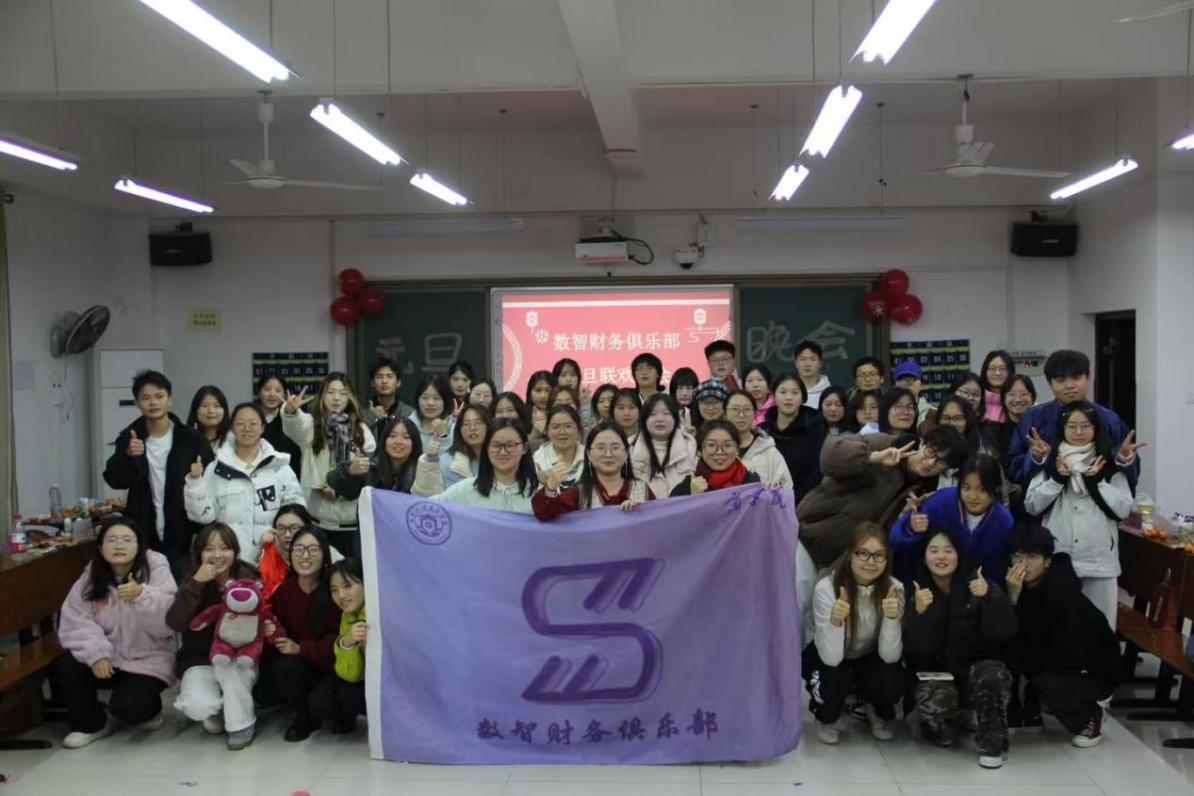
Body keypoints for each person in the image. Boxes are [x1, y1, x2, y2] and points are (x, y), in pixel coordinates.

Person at [54, 515, 177, 749]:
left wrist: (142, 596)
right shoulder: (91, 576)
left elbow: (168, 622)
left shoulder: (156, 569)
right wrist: (96, 653)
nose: (119, 546)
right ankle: (92, 724)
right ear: (101, 548)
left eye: (127, 540)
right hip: (108, 656)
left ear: (139, 545)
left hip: (146, 659)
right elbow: (76, 620)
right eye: (112, 540)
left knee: (130, 708)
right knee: (69, 663)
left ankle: (149, 710)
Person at [904, 530, 1017, 768]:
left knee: (992, 674)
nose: (941, 556)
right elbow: (915, 649)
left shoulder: (979, 584)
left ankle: (991, 744)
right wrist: (918, 615)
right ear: (924, 556)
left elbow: (1005, 631)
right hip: (938, 674)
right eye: (934, 551)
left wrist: (990, 598)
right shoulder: (916, 589)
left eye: (948, 550)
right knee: (941, 728)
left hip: (975, 668)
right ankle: (952, 718)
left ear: (959, 555)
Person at [1005, 523, 1123, 747]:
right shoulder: (1020, 587)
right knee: (1010, 654)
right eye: (1017, 556)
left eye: (1031, 557)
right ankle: (1029, 712)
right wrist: (1013, 599)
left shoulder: (1061, 593)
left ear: (1047, 561)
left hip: (1094, 670)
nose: (1022, 564)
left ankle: (1089, 718)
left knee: (1044, 678)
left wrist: (1029, 670)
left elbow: (1065, 649)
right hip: (1056, 660)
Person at [1023, 401, 1131, 628]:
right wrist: (1057, 480)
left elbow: (1123, 509)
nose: (1079, 432)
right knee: (1058, 628)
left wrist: (1097, 482)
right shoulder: (1051, 462)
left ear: (1096, 428)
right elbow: (1032, 505)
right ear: (1062, 429)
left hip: (1099, 559)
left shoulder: (1109, 462)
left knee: (1100, 629)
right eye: (1072, 426)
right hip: (1059, 558)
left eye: (1085, 426)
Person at [797, 426, 968, 569]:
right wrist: (872, 457)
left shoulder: (924, 492)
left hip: (847, 560)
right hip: (809, 535)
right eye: (931, 452)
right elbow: (829, 456)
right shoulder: (883, 443)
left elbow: (888, 539)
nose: (930, 463)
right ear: (922, 442)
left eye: (941, 462)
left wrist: (903, 520)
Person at [103, 370, 213, 582]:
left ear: (169, 400)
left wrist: (200, 532)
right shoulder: (129, 437)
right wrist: (128, 456)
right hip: (144, 533)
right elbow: (115, 480)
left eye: (159, 396)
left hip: (183, 535)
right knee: (145, 592)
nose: (153, 402)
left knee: (185, 592)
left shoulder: (191, 439)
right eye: (146, 398)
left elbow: (209, 488)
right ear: (138, 403)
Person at [806, 522, 904, 744]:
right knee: (832, 683)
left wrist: (891, 619)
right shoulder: (827, 588)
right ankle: (826, 717)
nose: (871, 562)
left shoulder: (894, 588)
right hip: (828, 653)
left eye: (879, 555)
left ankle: (873, 707)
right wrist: (836, 621)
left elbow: (890, 656)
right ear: (850, 555)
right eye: (863, 553)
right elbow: (831, 658)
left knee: (892, 678)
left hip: (868, 654)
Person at [168, 522, 261, 750]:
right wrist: (196, 584)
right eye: (209, 549)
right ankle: (221, 709)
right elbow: (175, 622)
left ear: (235, 552)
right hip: (200, 658)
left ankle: (241, 725)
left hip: (237, 657)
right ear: (199, 553)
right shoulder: (192, 580)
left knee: (233, 674)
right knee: (198, 707)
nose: (217, 555)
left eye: (225, 548)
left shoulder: (249, 577)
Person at [184, 403, 305, 564]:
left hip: (272, 558)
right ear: (232, 428)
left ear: (262, 427)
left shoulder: (279, 466)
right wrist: (195, 482)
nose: (247, 428)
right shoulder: (217, 468)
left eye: (253, 423)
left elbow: (296, 508)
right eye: (240, 423)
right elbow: (203, 516)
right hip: (230, 559)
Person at [1009, 350, 1142, 492]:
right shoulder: (1033, 419)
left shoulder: (1110, 420)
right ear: (1050, 383)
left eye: (1076, 378)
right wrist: (1035, 458)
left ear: (1088, 378)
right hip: (1045, 501)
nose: (1069, 385)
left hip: (1097, 501)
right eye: (1061, 380)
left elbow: (1129, 472)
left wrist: (1123, 460)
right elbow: (1013, 468)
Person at [255, 526, 339, 742]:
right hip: (298, 665)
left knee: (327, 703)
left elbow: (340, 640)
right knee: (279, 671)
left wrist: (302, 648)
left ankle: (339, 713)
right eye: (299, 549)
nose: (305, 556)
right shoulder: (284, 591)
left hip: (331, 666)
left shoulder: (334, 590)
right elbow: (277, 635)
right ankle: (304, 717)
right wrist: (271, 635)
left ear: (324, 554)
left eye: (313, 550)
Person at [282, 372, 377, 558]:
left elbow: (368, 475)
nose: (336, 398)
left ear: (350, 398)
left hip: (351, 525)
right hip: (317, 523)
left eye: (342, 393)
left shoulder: (361, 430)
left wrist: (338, 487)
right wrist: (291, 412)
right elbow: (294, 426)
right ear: (322, 396)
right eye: (331, 392)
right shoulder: (311, 425)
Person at [890, 454, 1015, 586]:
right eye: (966, 488)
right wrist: (911, 529)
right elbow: (895, 540)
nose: (973, 496)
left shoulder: (1004, 522)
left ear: (996, 489)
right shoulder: (939, 503)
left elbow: (997, 571)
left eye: (982, 490)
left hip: (974, 590)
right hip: (925, 584)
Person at [533, 423, 654, 519]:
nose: (608, 454)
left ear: (626, 453)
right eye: (601, 448)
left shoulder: (642, 489)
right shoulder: (579, 494)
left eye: (615, 447)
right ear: (588, 454)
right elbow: (545, 515)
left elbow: (656, 523)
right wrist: (550, 488)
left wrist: (640, 512)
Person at [309, 558, 367, 733]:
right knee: (324, 699)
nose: (341, 595)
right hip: (363, 682)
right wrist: (347, 642)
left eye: (347, 586)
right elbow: (350, 674)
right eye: (334, 590)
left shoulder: (383, 610)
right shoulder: (347, 616)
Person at [432, 419, 539, 512]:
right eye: (496, 446)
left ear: (525, 448)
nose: (503, 452)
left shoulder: (539, 493)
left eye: (510, 445)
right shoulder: (465, 490)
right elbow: (430, 508)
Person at [758, 373, 827, 504]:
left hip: (805, 502)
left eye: (795, 393)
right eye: (783, 392)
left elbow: (818, 473)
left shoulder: (816, 430)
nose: (788, 397)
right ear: (774, 396)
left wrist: (793, 500)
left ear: (803, 397)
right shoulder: (762, 432)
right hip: (765, 501)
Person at [328, 416, 423, 499]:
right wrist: (350, 471)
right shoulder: (371, 466)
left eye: (406, 437)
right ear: (384, 440)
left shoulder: (422, 472)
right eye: (392, 436)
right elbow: (333, 481)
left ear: (415, 443)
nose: (398, 442)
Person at [630, 394, 697, 499]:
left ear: (675, 419)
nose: (660, 419)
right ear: (644, 420)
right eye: (653, 414)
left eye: (666, 413)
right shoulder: (629, 448)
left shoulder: (690, 447)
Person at [669, 420, 762, 496]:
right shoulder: (686, 488)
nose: (719, 452)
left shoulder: (752, 483)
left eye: (727, 445)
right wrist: (693, 499)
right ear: (700, 450)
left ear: (737, 449)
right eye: (711, 445)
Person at [725, 390, 793, 488]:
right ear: (725, 414)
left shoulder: (769, 451)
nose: (741, 415)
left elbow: (786, 488)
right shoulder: (716, 450)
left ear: (755, 413)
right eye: (735, 409)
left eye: (747, 409)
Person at [256, 373, 303, 480]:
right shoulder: (251, 417)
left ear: (285, 395)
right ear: (259, 392)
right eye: (267, 389)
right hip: (259, 476)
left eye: (278, 390)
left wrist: (291, 414)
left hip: (288, 476)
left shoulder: (292, 418)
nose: (272, 394)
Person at [984, 374, 1037, 468]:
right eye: (1012, 394)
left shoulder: (1041, 427)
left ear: (1032, 398)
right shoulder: (993, 431)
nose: (1018, 400)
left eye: (1024, 394)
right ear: (1004, 399)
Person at [532, 405, 586, 491]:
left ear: (578, 429)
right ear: (547, 430)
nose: (562, 432)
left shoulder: (591, 458)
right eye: (555, 427)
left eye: (568, 426)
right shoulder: (537, 461)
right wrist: (540, 483)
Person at [366, 357, 414, 438]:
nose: (384, 381)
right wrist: (375, 419)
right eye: (379, 377)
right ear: (372, 383)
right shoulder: (363, 415)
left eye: (389, 376)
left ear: (398, 382)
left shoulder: (409, 414)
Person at [410, 373, 456, 451]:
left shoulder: (455, 428)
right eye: (425, 398)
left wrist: (443, 436)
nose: (430, 403)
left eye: (436, 398)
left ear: (445, 401)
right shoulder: (408, 425)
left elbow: (453, 456)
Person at [187, 386, 231, 454]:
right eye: (205, 406)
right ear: (195, 410)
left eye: (216, 406)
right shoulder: (185, 439)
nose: (211, 411)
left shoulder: (233, 440)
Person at [552, 358, 593, 428]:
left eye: (573, 375)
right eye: (563, 375)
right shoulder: (551, 399)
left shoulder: (586, 400)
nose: (568, 379)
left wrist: (584, 403)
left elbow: (587, 426)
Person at [980, 350, 1016, 424]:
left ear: (1010, 371)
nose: (997, 373)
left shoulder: (1020, 400)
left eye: (1002, 369)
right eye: (992, 369)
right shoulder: (977, 400)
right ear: (985, 371)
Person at [794, 340, 830, 409]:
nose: (807, 364)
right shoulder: (788, 390)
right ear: (796, 363)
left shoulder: (828, 393)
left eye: (812, 359)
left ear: (820, 364)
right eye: (803, 359)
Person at [525, 370, 556, 450]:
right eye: (538, 390)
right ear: (529, 392)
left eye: (548, 391)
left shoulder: (563, 414)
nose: (543, 396)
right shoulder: (522, 415)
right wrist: (535, 431)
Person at [668, 367, 700, 433]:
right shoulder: (667, 411)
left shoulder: (701, 411)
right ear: (673, 390)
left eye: (689, 388)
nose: (684, 393)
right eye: (680, 388)